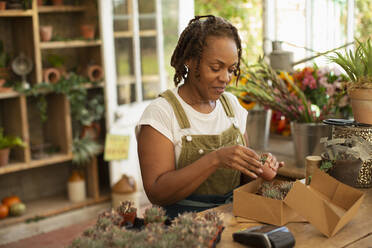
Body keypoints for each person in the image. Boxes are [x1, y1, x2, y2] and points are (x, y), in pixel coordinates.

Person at [136, 15, 284, 218]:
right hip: (184, 228)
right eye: (215, 68)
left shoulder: (231, 107)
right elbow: (157, 193)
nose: (225, 78)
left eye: (232, 69)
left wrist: (260, 169)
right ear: (189, 60)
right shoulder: (162, 114)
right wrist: (215, 159)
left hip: (233, 220)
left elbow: (242, 181)